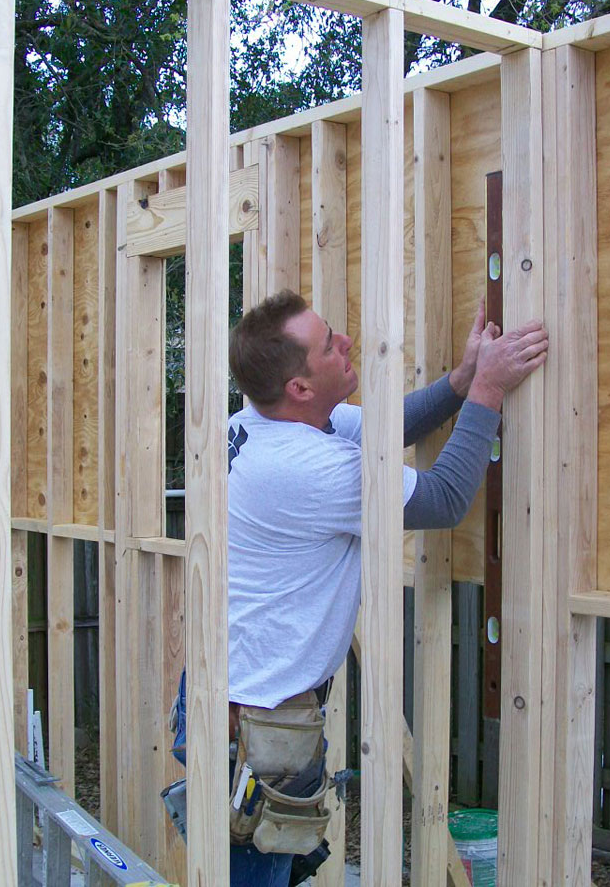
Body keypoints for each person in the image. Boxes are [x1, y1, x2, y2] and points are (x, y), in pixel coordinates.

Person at [179, 290, 549, 887]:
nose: (347, 342)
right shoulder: (305, 467)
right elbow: (443, 500)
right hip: (258, 732)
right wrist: (489, 392)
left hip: (228, 700)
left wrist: (459, 380)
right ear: (300, 388)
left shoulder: (258, 422)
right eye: (329, 345)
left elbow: (382, 429)